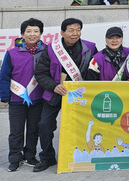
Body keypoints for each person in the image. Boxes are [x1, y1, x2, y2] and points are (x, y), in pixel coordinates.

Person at [34, 18, 97, 172]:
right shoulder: (51, 49)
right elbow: (40, 73)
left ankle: (83, 155)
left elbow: (95, 70)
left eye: (78, 30)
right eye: (71, 30)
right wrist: (54, 86)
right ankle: (47, 157)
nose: (75, 33)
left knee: (83, 125)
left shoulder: (90, 48)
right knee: (44, 125)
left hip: (79, 95)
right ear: (62, 32)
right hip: (55, 93)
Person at [0, 18, 46, 171]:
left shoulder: (46, 51)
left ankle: (30, 156)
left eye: (36, 31)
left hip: (38, 98)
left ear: (40, 33)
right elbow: (4, 76)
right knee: (16, 131)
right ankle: (15, 158)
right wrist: (4, 97)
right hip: (16, 99)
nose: (32, 34)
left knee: (33, 130)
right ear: (22, 34)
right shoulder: (12, 53)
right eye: (28, 31)